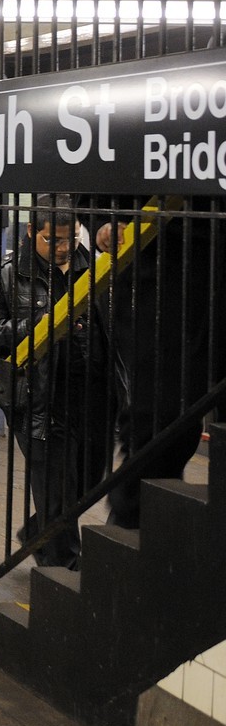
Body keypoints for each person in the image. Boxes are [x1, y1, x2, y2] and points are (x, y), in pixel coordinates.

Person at [0, 195, 118, 569]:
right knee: (57, 490)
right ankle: (63, 570)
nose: (62, 248)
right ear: (30, 232)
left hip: (93, 394)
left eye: (70, 239)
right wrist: (40, 328)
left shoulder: (96, 268)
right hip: (39, 396)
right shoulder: (5, 274)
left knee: (88, 483)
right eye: (52, 239)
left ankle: (38, 533)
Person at [90, 195, 224, 529]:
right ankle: (131, 525)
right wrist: (105, 222)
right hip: (159, 261)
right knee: (160, 417)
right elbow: (94, 177)